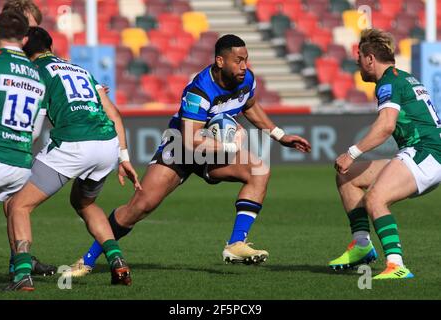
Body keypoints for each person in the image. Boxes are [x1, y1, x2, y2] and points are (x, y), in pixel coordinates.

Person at [64, 34, 311, 277]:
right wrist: (229, 147)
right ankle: (87, 261)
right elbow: (191, 140)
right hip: (181, 148)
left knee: (259, 170)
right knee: (139, 207)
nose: (244, 66)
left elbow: (250, 106)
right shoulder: (198, 90)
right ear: (220, 61)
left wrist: (279, 135)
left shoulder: (246, 79)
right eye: (238, 60)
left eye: (246, 59)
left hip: (212, 149)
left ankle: (236, 244)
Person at [5, 26, 141, 291]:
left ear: (24, 50)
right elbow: (113, 114)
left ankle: (22, 275)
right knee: (84, 202)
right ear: (51, 47)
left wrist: (17, 151)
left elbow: (35, 127)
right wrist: (124, 156)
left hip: (73, 144)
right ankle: (117, 260)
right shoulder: (80, 69)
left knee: (17, 205)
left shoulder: (35, 72)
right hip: (107, 145)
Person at [329, 28, 441, 279]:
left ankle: (396, 265)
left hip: (427, 153)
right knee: (348, 177)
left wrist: (352, 152)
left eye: (360, 58)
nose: (357, 63)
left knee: (376, 198)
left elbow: (386, 126)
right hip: (422, 151)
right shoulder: (401, 77)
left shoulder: (389, 82)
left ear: (370, 59)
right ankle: (361, 245)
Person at [0, 0, 56, 278]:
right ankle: (21, 267)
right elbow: (35, 130)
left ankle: (20, 264)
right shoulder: (34, 73)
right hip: (19, 159)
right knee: (15, 205)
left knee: (15, 206)